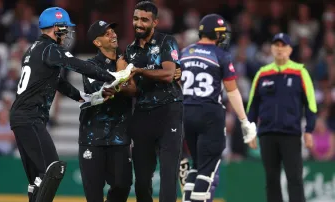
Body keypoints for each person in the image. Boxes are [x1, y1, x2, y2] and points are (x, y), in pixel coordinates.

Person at [9, 7, 131, 202]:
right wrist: (113, 76)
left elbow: (59, 83)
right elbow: (78, 65)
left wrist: (84, 97)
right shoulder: (51, 49)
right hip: (30, 117)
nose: (66, 33)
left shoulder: (34, 50)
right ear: (55, 27)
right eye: (64, 28)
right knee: (53, 169)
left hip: (21, 117)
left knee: (37, 181)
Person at [180, 14, 257, 202]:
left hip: (185, 112)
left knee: (196, 166)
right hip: (209, 114)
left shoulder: (186, 52)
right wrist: (244, 121)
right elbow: (232, 91)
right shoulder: (220, 55)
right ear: (216, 34)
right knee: (207, 169)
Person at [119, 1, 183, 202]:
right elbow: (134, 90)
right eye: (136, 18)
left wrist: (138, 71)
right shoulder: (129, 51)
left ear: (155, 22)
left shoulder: (166, 41)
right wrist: (121, 85)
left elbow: (168, 74)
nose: (139, 23)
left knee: (168, 173)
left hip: (169, 112)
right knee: (142, 179)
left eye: (144, 20)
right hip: (142, 114)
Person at [246, 33, 317, 202]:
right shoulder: (262, 74)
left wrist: (309, 130)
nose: (279, 49)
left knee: (295, 178)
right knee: (271, 180)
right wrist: (250, 130)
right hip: (267, 134)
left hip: (290, 134)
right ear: (271, 49)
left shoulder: (300, 72)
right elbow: (252, 105)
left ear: (290, 49)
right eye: (276, 45)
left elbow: (311, 103)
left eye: (283, 45)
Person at [77, 20, 137, 202]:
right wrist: (123, 74)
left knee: (123, 185)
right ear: (97, 42)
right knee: (93, 195)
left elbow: (134, 89)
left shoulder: (126, 62)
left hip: (119, 137)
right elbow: (104, 90)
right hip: (92, 137)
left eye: (113, 31)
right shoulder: (88, 65)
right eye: (107, 33)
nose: (113, 35)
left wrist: (122, 73)